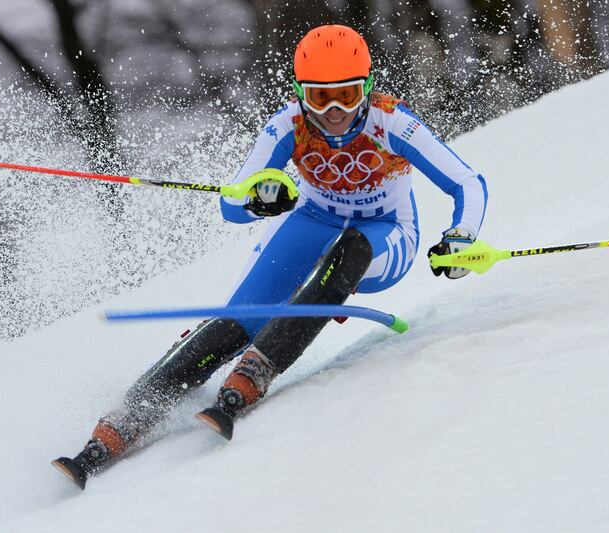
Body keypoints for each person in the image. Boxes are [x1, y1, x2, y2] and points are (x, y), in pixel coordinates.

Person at [52, 24, 488, 489]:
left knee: (351, 252)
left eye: (348, 95)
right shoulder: (287, 126)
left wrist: (461, 236)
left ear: (368, 87)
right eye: (321, 99)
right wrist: (258, 198)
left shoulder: (393, 123)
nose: (336, 112)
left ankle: (255, 370)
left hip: (384, 234)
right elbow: (230, 204)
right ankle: (121, 422)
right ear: (301, 95)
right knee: (242, 317)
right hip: (313, 219)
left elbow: (467, 183)